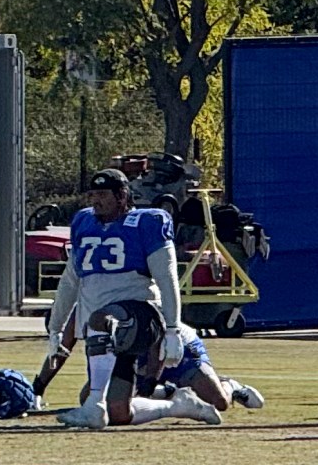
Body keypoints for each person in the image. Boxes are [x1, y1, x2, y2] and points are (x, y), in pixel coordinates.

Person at [42, 167, 220, 429]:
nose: (96, 201)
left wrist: (171, 328)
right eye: (92, 194)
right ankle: (179, 405)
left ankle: (94, 407)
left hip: (139, 317)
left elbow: (167, 279)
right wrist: (56, 329)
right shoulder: (84, 222)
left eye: (103, 194)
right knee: (118, 412)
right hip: (105, 330)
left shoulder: (147, 223)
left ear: (122, 195)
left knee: (100, 319)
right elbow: (70, 281)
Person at [137, 322, 266, 413]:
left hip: (181, 348)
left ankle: (229, 386)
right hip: (141, 353)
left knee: (219, 403)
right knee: (125, 401)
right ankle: (169, 391)